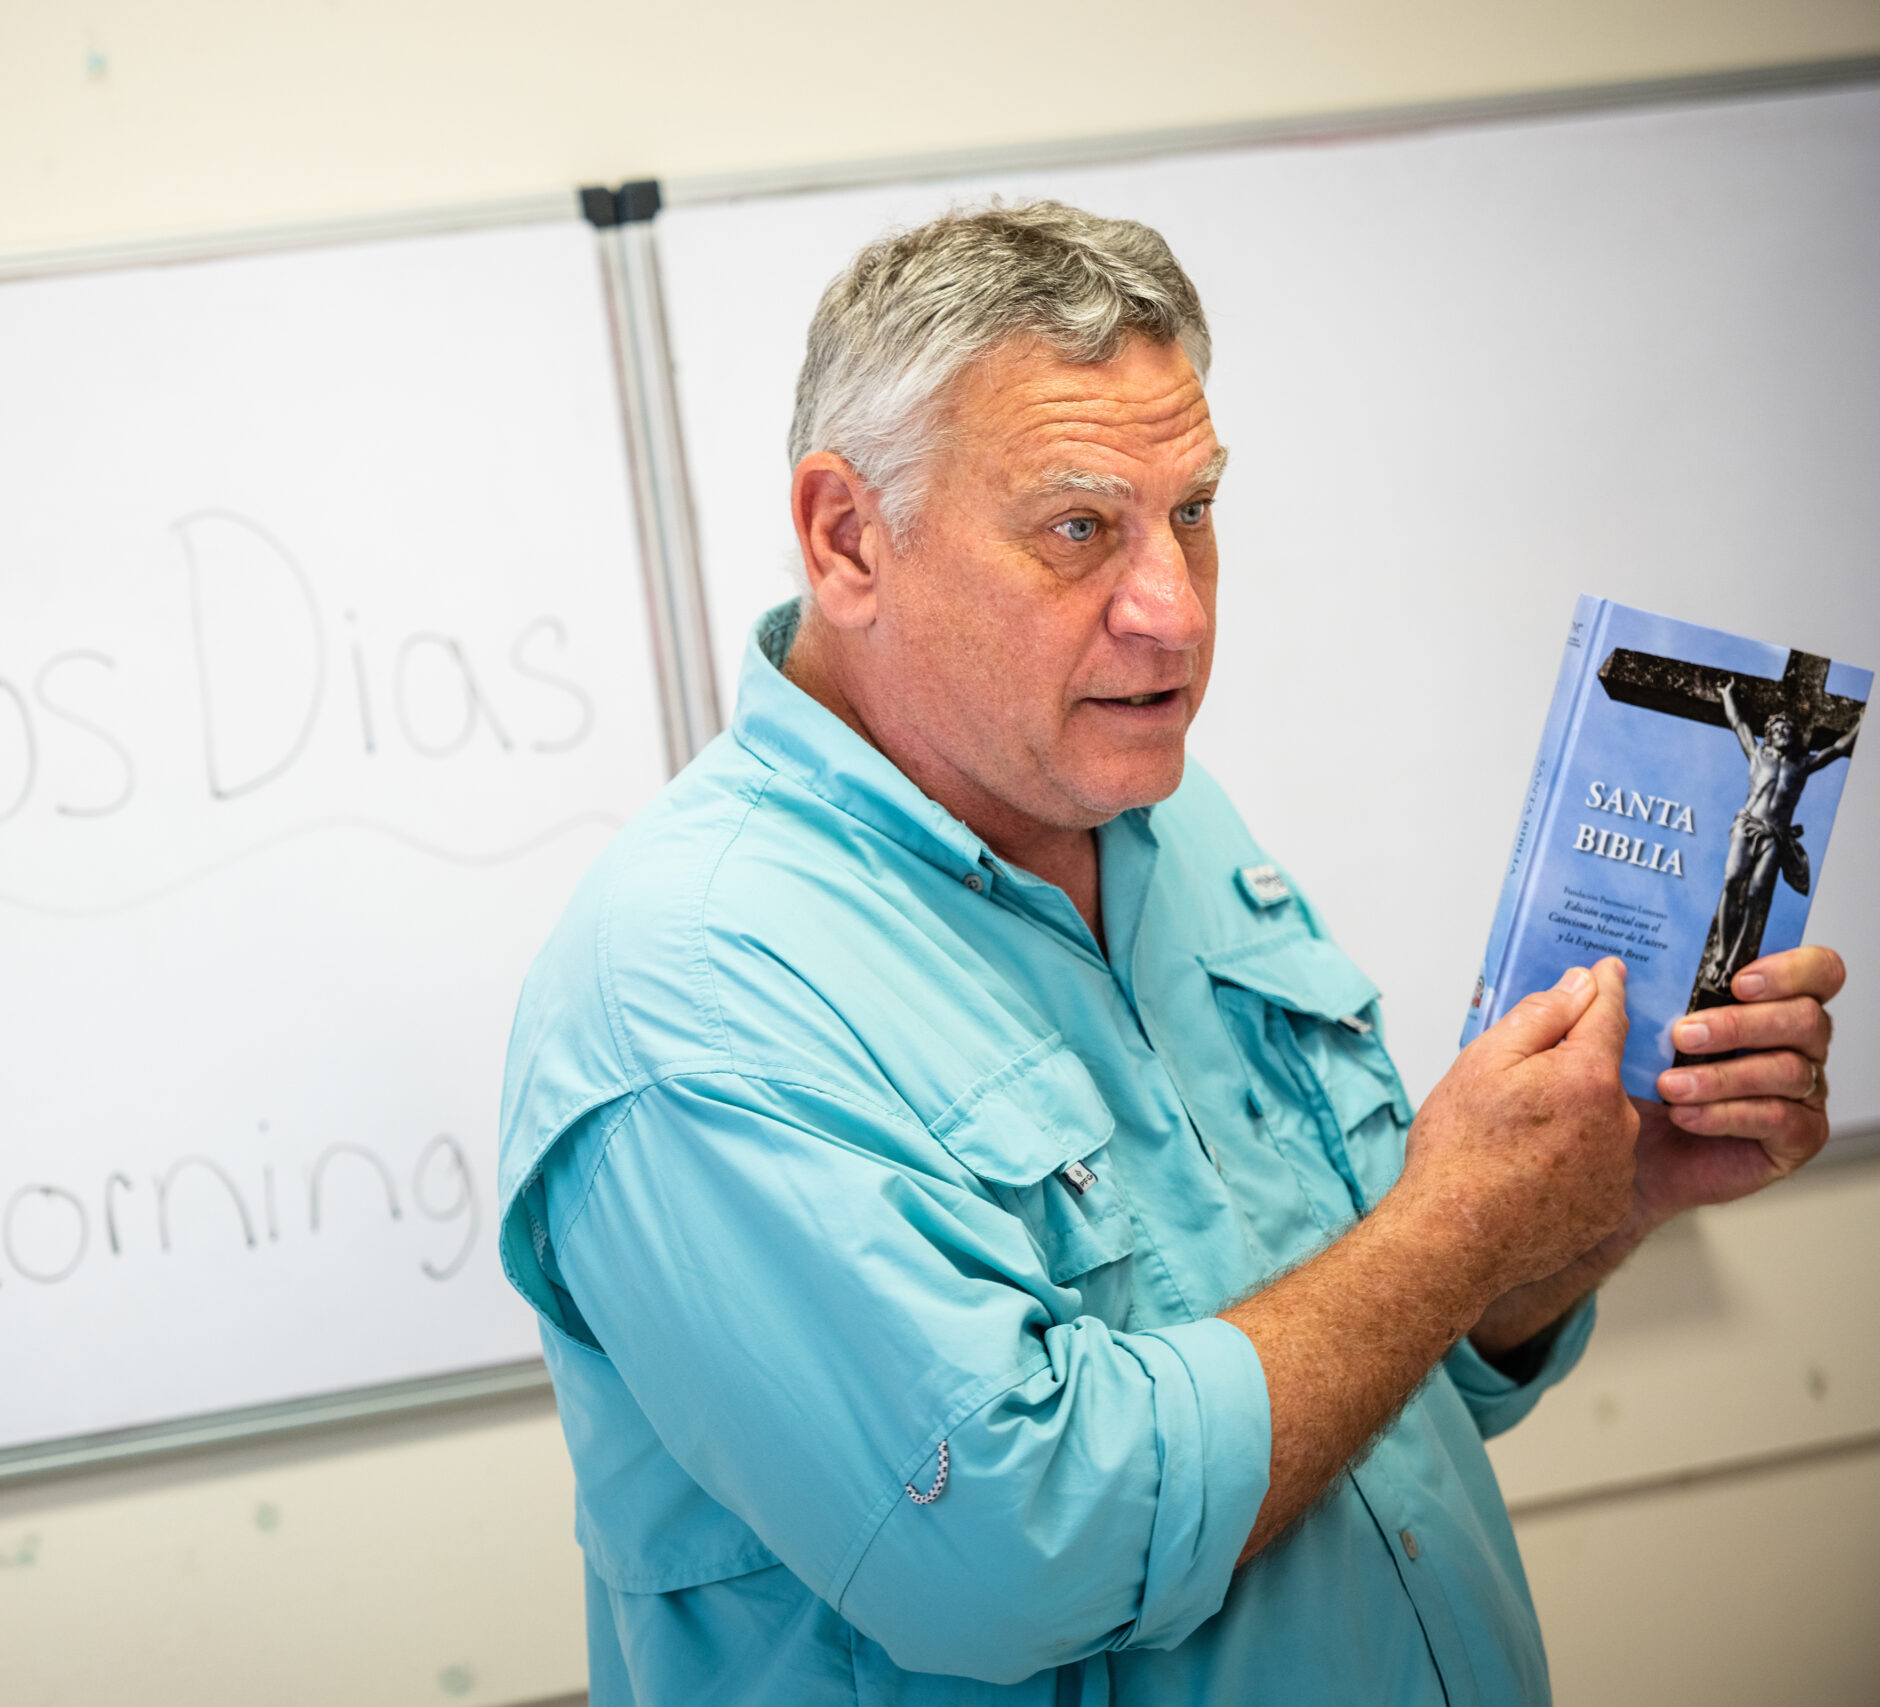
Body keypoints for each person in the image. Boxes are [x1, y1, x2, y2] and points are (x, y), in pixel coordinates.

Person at [494, 202, 1845, 1705]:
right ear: (848, 536)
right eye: (1080, 528)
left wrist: (1597, 1195)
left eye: (1192, 512)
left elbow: (1399, 1369)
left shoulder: (1160, 812)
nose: (1175, 610)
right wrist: (1462, 1216)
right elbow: (1026, 1546)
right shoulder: (689, 991)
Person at [1700, 685, 1860, 991]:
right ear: (1769, 733)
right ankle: (1720, 953)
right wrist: (1728, 695)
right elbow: (1739, 725)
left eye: (1789, 728)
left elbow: (1840, 747)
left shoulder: (1802, 764)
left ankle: (1732, 964)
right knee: (1733, 879)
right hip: (1747, 826)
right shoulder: (1758, 755)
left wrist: (1864, 722)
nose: (1785, 731)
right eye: (1778, 728)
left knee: (1755, 895)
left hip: (1774, 835)